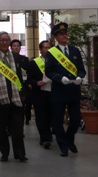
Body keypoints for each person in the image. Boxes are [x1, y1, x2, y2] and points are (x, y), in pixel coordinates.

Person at [0, 31, 27, 162]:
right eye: (2, 40)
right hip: (0, 99)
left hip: (16, 98)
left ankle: (20, 153)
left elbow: (24, 78)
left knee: (18, 129)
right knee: (1, 129)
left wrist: (23, 93)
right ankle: (4, 152)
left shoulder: (18, 58)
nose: (4, 42)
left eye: (7, 40)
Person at [45, 22, 86, 157]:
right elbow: (48, 71)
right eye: (61, 34)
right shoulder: (52, 53)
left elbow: (81, 69)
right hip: (59, 91)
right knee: (57, 121)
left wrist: (80, 77)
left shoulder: (75, 51)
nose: (64, 36)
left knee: (75, 119)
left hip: (73, 90)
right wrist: (59, 78)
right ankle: (63, 145)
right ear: (55, 37)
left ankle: (68, 139)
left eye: (65, 33)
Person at [27, 40, 52, 149]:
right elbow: (29, 79)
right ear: (41, 50)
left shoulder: (55, 61)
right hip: (39, 93)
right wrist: (36, 83)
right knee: (41, 115)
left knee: (51, 115)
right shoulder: (34, 62)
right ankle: (44, 137)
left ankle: (48, 134)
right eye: (45, 47)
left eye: (49, 47)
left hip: (53, 92)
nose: (47, 49)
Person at [10, 39, 31, 125]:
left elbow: (28, 72)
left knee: (21, 108)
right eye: (14, 46)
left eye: (18, 46)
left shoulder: (25, 59)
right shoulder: (8, 59)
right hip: (11, 86)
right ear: (11, 47)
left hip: (22, 87)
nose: (16, 47)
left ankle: (20, 128)